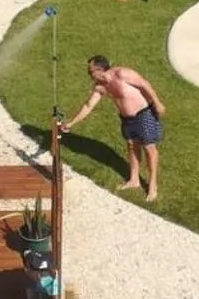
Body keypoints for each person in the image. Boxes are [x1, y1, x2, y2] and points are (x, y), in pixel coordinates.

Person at [61, 56, 165, 202]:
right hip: (127, 119)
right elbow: (88, 106)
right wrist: (71, 123)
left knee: (149, 148)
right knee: (131, 145)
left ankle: (152, 185)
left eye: (90, 72)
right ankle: (134, 180)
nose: (89, 75)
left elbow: (144, 84)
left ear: (99, 70)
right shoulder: (100, 87)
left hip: (144, 113)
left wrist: (158, 103)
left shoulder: (122, 74)